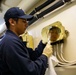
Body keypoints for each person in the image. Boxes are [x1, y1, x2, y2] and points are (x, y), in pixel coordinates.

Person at [0, 7, 53, 75]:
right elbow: (31, 72)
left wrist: (43, 42)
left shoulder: (14, 40)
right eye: (24, 21)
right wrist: (45, 55)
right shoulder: (10, 43)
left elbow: (33, 56)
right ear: (12, 22)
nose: (27, 24)